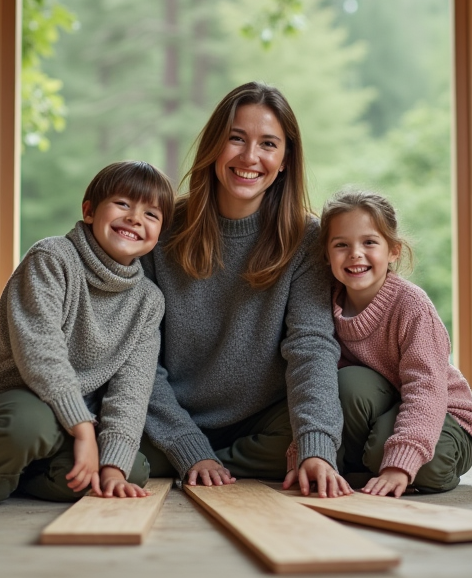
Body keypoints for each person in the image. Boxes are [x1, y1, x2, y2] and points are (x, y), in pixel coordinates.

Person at [139, 82, 352, 497]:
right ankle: (197, 461)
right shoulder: (161, 228)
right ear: (214, 145)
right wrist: (187, 445)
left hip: (265, 422)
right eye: (236, 138)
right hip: (173, 417)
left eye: (268, 144)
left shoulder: (306, 239)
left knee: (324, 431)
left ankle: (212, 466)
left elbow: (311, 346)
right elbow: (139, 356)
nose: (250, 157)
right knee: (125, 450)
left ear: (286, 159)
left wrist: (317, 450)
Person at [0, 161, 175, 506]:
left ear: (159, 233)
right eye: (123, 204)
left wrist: (111, 467)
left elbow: (132, 388)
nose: (135, 218)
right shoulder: (51, 258)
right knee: (28, 422)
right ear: (89, 211)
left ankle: (23, 483)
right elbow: (40, 351)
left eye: (151, 214)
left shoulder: (148, 301)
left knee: (131, 469)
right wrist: (83, 429)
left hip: (62, 432)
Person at [319, 189, 472, 496]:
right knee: (347, 383)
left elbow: (426, 388)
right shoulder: (323, 304)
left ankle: (391, 464)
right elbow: (318, 384)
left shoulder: (412, 306)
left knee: (422, 465)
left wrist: (400, 465)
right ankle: (373, 462)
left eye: (369, 242)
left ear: (393, 250)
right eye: (341, 245)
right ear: (327, 255)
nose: (355, 253)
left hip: (445, 413)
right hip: (386, 407)